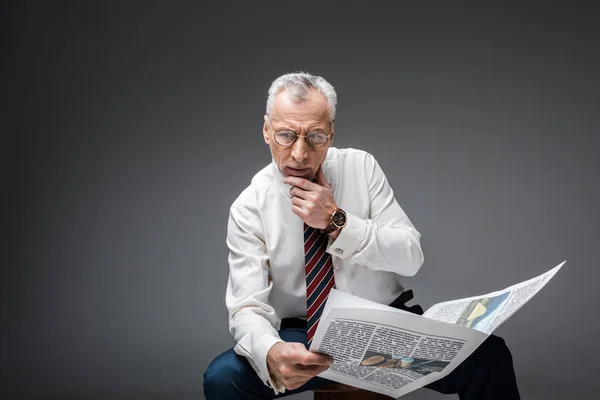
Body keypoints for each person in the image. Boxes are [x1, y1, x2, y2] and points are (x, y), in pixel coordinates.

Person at [203, 72, 521, 399]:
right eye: (286, 135)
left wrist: (336, 221)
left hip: (387, 332)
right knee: (223, 377)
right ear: (266, 131)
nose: (299, 153)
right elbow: (247, 309)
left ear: (331, 133)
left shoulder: (362, 167)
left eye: (315, 136)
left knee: (489, 355)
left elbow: (410, 256)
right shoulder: (248, 207)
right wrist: (271, 350)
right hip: (306, 336)